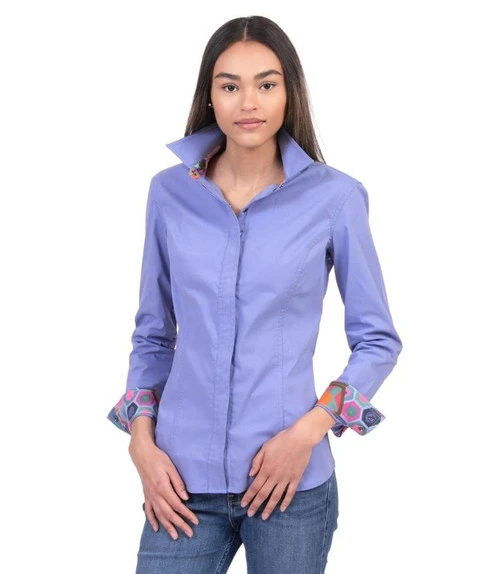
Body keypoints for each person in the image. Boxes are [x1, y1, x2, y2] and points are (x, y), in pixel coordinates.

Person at [106, 14, 403, 574]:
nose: (249, 102)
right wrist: (140, 443)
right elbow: (153, 336)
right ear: (209, 96)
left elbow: (377, 341)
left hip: (289, 482)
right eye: (230, 85)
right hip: (180, 481)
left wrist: (308, 434)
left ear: (290, 93)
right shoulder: (168, 193)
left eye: (266, 84)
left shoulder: (336, 199)